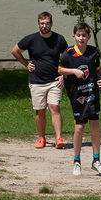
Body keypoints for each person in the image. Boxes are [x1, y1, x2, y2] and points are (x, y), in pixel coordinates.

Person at [57, 22, 101, 176]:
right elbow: (60, 69)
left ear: (88, 37)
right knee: (79, 128)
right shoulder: (68, 53)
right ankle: (76, 161)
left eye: (84, 36)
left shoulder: (93, 52)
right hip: (77, 95)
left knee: (95, 125)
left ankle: (96, 160)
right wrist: (73, 71)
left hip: (92, 94)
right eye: (78, 35)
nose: (81, 38)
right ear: (74, 36)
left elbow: (98, 69)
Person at [12, 11, 70, 149]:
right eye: (42, 23)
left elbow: (69, 57)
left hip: (54, 80)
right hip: (36, 81)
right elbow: (15, 51)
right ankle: (41, 138)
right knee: (40, 110)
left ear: (51, 24)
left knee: (54, 107)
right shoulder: (31, 39)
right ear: (38, 24)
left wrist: (63, 75)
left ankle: (58, 138)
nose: (44, 26)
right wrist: (26, 64)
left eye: (47, 23)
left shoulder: (59, 39)